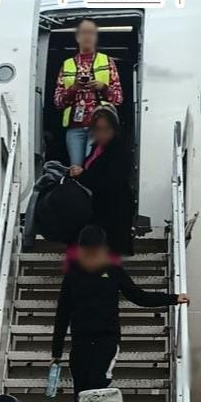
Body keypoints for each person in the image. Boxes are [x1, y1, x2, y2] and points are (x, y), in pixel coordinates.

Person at [52, 224, 189, 402]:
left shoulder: (113, 271)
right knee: (80, 390)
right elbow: (62, 314)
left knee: (97, 386)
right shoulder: (73, 276)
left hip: (106, 340)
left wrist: (173, 298)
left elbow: (138, 296)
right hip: (80, 341)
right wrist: (56, 352)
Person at [54, 19, 123, 168]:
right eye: (84, 33)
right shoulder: (67, 64)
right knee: (76, 171)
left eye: (91, 33)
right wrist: (74, 88)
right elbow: (58, 102)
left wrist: (103, 87)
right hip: (75, 128)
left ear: (96, 37)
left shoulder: (107, 61)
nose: (88, 37)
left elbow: (118, 99)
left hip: (99, 127)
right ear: (77, 37)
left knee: (93, 170)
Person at [67, 106, 135, 256]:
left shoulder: (120, 150)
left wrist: (83, 175)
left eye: (105, 129)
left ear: (114, 129)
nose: (101, 134)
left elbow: (112, 181)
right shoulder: (97, 148)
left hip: (114, 212)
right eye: (97, 129)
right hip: (99, 210)